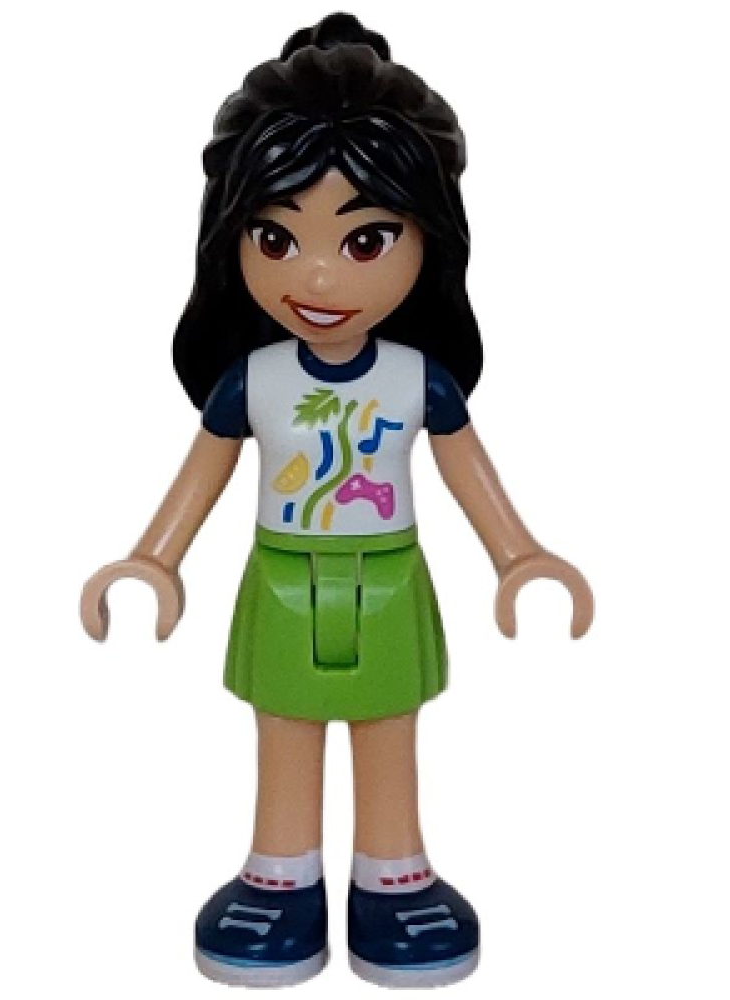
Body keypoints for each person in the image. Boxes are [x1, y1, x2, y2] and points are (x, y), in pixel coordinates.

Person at [80, 12, 593, 989]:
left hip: (389, 576)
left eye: (365, 240)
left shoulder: (415, 379)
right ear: (229, 238)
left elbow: (467, 470)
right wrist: (154, 558)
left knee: (389, 725)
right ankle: (279, 878)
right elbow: (201, 472)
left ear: (429, 240)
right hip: (281, 578)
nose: (316, 275)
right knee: (284, 725)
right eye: (276, 236)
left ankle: (394, 879)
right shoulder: (254, 380)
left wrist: (519, 555)